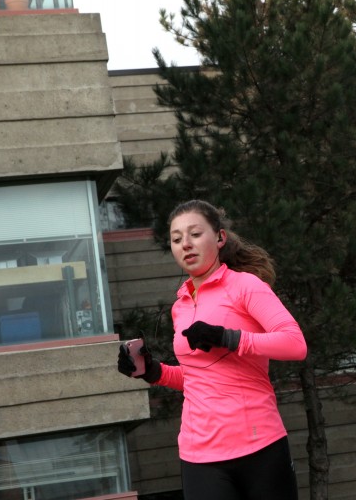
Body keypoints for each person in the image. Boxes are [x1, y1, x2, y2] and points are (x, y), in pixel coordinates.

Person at [117, 199, 307, 500]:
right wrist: (154, 372)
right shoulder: (181, 305)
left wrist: (228, 338)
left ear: (219, 238)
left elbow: (295, 344)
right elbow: (199, 377)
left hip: (259, 445)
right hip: (199, 455)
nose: (185, 244)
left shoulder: (245, 286)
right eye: (176, 239)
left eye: (195, 234)